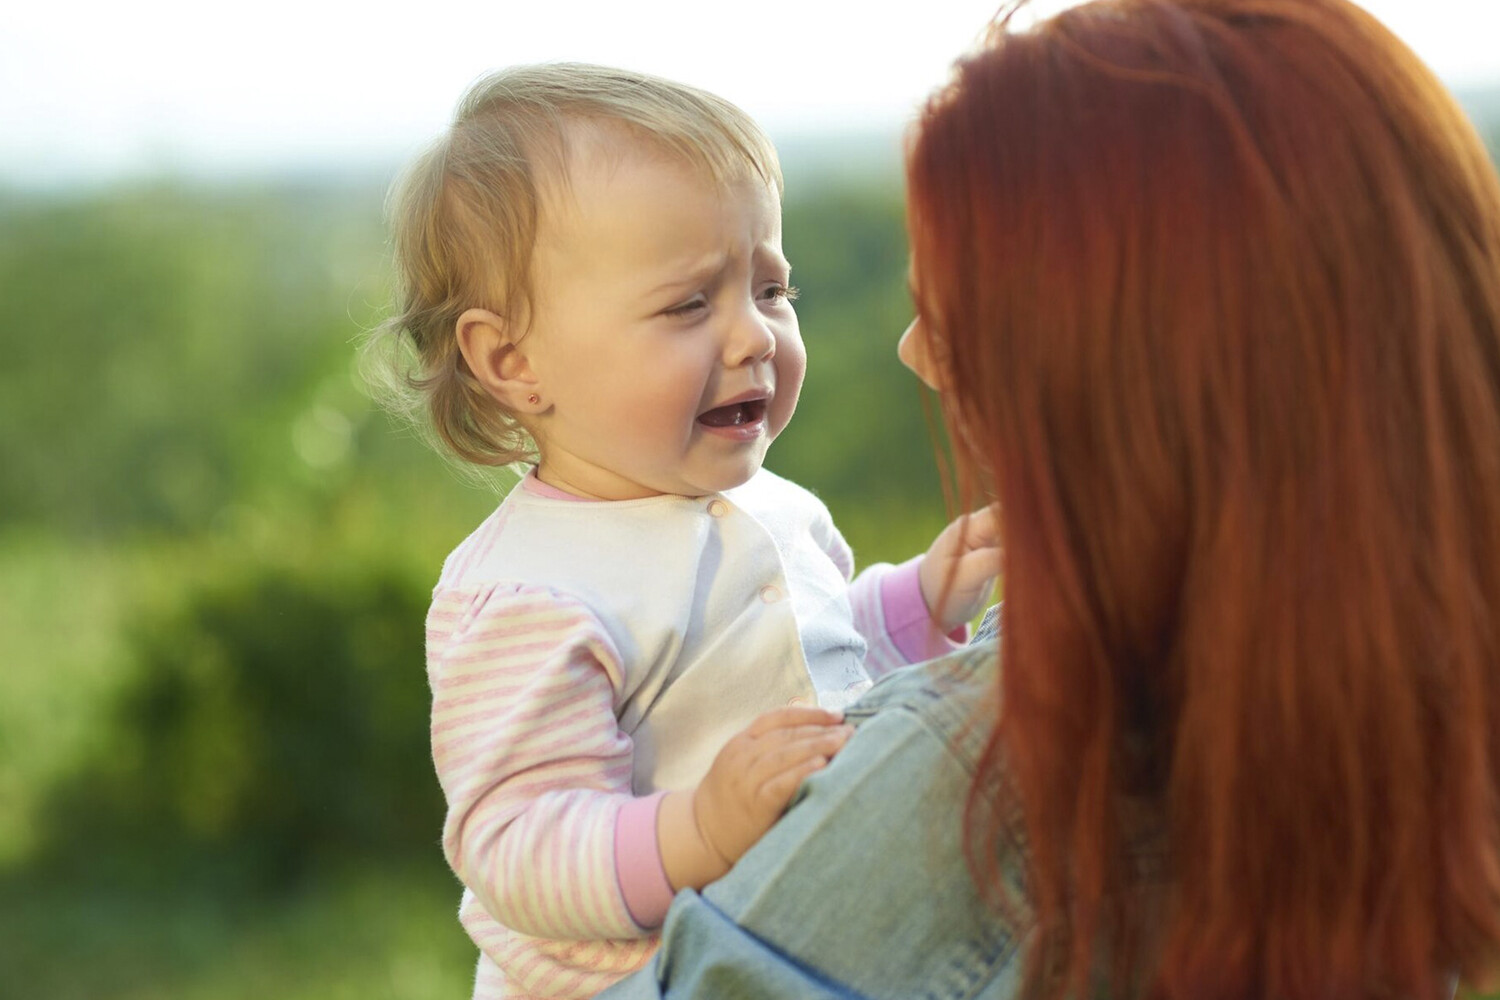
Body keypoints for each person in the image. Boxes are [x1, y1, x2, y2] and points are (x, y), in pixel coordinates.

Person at [599, 0, 1500, 997]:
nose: (917, 356)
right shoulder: (1415, 723)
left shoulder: (978, 783)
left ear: (1130, 375)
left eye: (968, 317)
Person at [366, 64, 999, 999]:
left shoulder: (782, 509)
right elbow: (516, 841)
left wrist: (917, 602)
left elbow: (815, 675)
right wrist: (697, 828)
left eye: (772, 289)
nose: (753, 337)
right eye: (688, 305)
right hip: (638, 980)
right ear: (513, 361)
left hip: (798, 935)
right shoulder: (529, 592)